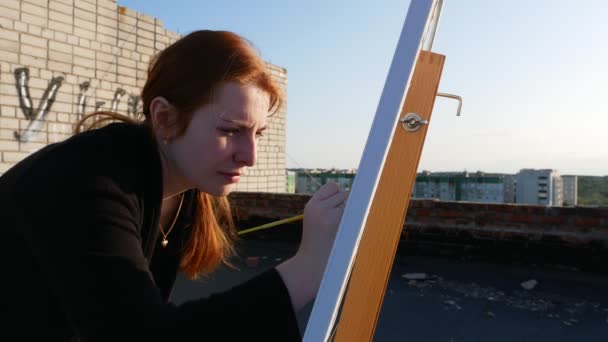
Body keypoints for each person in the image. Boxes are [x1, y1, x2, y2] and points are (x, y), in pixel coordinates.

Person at [0, 30, 348, 341]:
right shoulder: (85, 180)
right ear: (165, 118)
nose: (250, 156)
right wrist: (308, 267)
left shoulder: (184, 186)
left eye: (257, 133)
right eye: (230, 130)